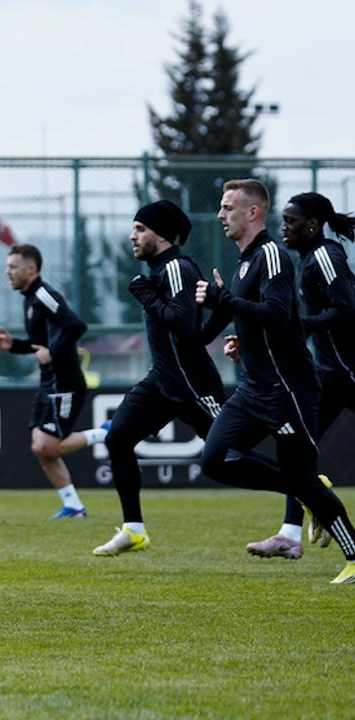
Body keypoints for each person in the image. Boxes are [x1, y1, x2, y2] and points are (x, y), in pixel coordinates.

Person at [194, 178, 355, 584]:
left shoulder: (272, 255)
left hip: (288, 389)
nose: (220, 214)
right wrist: (236, 339)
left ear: (252, 212)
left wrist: (223, 301)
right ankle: (310, 491)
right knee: (214, 459)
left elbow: (279, 314)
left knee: (302, 479)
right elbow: (247, 319)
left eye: (228, 207)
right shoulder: (245, 260)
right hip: (253, 387)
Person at [92, 201, 226, 555]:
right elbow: (195, 331)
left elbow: (182, 325)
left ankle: (306, 489)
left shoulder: (176, 268)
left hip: (193, 384)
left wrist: (146, 295)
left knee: (230, 459)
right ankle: (134, 530)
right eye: (133, 228)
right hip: (162, 381)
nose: (132, 236)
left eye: (140, 229)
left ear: (163, 235)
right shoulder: (160, 271)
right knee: (118, 439)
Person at [242, 192, 355, 559]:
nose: (284, 227)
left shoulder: (324, 256)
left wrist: (301, 326)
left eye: (291, 221)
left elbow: (346, 309)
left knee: (299, 450)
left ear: (313, 225)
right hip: (330, 375)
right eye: (284, 220)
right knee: (298, 451)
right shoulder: (308, 257)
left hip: (349, 372)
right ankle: (290, 536)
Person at [0, 244, 105, 519]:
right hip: (48, 383)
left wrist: (52, 352)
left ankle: (105, 434)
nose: (7, 272)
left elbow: (76, 325)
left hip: (64, 383)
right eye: (7, 266)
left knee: (47, 446)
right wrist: (14, 346)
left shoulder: (43, 294)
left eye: (13, 267)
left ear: (31, 269)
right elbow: (39, 344)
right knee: (40, 448)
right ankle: (73, 507)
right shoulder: (29, 299)